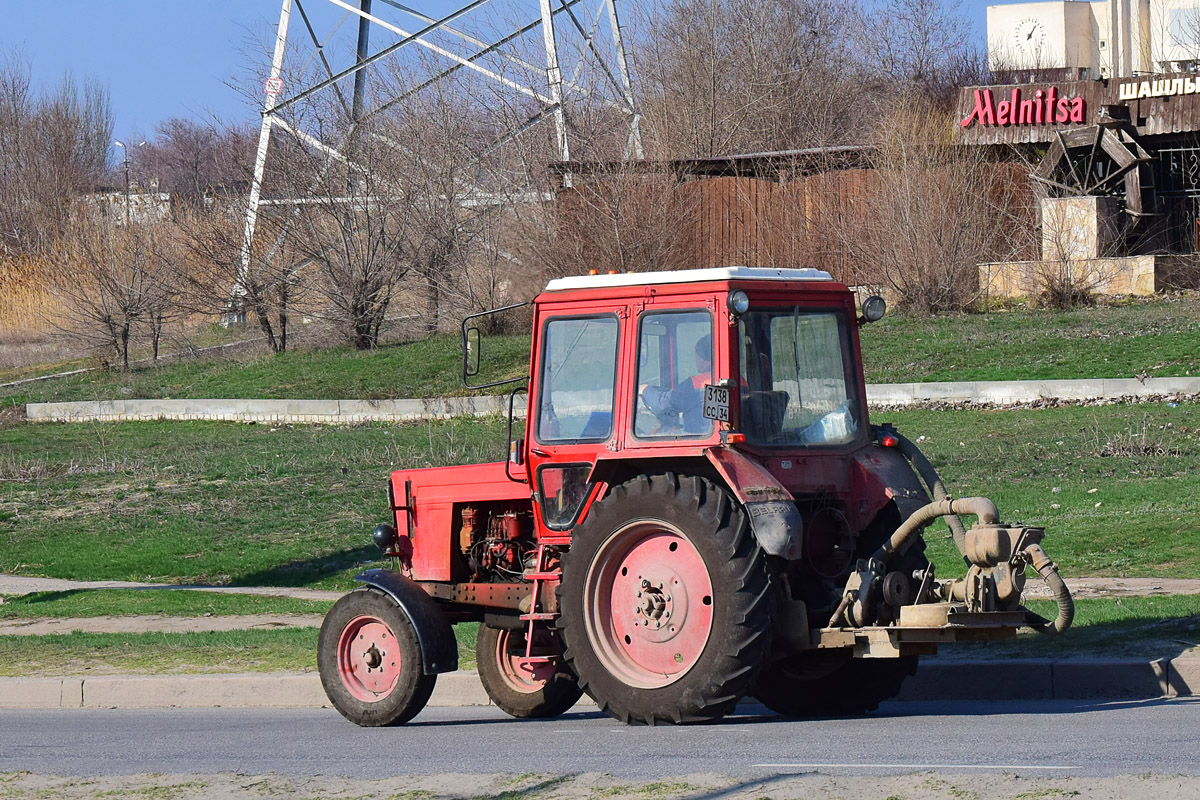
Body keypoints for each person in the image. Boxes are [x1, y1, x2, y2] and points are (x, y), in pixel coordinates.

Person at [640, 334, 712, 433]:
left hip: (699, 440)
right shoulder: (737, 381)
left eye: (697, 357)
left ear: (705, 360)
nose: (695, 360)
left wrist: (645, 390)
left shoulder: (696, 384)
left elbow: (665, 405)